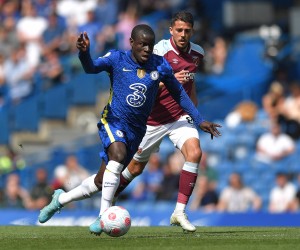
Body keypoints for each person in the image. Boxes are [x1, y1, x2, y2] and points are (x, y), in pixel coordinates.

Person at [38, 23, 221, 233]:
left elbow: (179, 93)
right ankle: (103, 216)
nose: (146, 49)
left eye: (150, 46)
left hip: (137, 130)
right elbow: (91, 68)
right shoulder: (116, 59)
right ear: (131, 43)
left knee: (101, 179)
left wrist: (199, 120)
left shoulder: (159, 65)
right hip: (113, 121)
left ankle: (60, 198)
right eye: (142, 45)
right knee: (117, 155)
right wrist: (84, 53)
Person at [104, 11, 209, 233]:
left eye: (187, 31)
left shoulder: (198, 53)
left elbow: (192, 85)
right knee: (135, 168)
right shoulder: (159, 50)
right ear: (171, 30)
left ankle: (179, 212)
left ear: (192, 31)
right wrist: (170, 82)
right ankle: (107, 201)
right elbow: (144, 83)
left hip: (180, 116)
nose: (183, 35)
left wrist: (194, 110)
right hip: (152, 120)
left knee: (195, 153)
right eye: (179, 30)